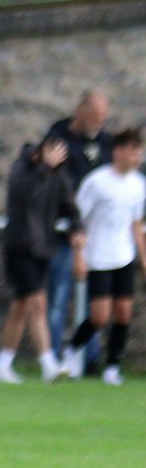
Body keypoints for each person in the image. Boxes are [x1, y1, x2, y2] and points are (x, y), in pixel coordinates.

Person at [0, 136, 82, 383]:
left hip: (42, 249)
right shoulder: (23, 169)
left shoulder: (59, 177)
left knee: (20, 308)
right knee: (38, 303)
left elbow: (70, 207)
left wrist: (77, 228)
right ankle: (48, 363)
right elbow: (24, 193)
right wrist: (45, 168)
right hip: (20, 247)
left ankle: (2, 365)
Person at [61, 128, 145, 385]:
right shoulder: (96, 182)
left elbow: (136, 223)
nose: (137, 158)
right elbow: (78, 220)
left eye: (140, 153)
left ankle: (112, 368)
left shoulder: (139, 184)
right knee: (99, 316)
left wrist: (143, 257)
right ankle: (71, 349)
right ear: (118, 151)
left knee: (123, 312)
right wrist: (78, 253)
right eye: (133, 152)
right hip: (98, 256)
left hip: (124, 256)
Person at [44, 91, 113, 355]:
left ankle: (89, 357)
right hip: (64, 234)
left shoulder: (107, 143)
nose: (98, 124)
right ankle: (52, 357)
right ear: (80, 110)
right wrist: (74, 223)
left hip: (98, 236)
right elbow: (56, 184)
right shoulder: (58, 138)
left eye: (102, 119)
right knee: (59, 298)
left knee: (95, 302)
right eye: (94, 117)